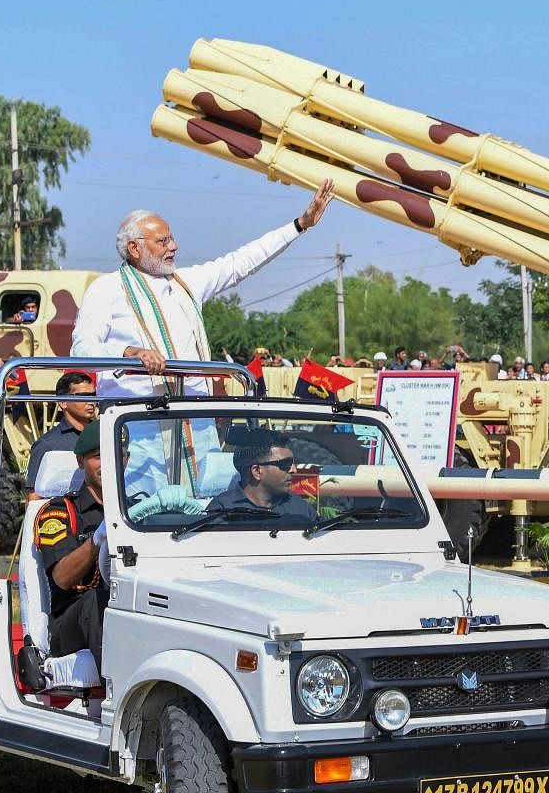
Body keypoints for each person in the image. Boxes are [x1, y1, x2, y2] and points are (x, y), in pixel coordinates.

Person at [71, 180, 335, 399]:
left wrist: (300, 225)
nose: (174, 247)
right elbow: (81, 351)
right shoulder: (106, 288)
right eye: (163, 241)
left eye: (171, 238)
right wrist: (129, 354)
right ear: (134, 248)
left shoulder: (185, 283)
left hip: (194, 417)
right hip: (135, 421)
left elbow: (240, 263)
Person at [33, 420, 109, 670]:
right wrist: (97, 539)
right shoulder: (58, 512)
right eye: (98, 456)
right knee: (99, 600)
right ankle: (117, 694)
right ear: (80, 462)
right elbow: (62, 577)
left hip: (122, 606)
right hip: (71, 622)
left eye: (116, 454)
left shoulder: (137, 509)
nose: (108, 462)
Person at [208, 429, 316, 520]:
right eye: (285, 464)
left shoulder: (301, 509)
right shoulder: (222, 510)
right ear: (257, 471)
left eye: (293, 463)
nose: (294, 470)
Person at [26, 371, 97, 499]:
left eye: (93, 395)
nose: (91, 401)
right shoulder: (47, 445)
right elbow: (34, 497)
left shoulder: (103, 435)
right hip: (64, 515)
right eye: (83, 396)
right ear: (63, 402)